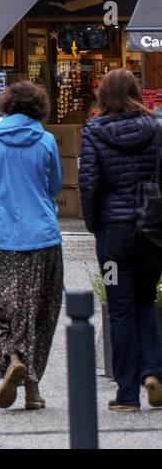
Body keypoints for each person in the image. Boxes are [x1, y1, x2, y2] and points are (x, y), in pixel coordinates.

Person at [0, 82, 63, 410]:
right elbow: (54, 184)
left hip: (4, 239)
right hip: (44, 237)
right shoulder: (46, 140)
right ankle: (32, 388)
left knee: (4, 310)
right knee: (41, 312)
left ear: (5, 105)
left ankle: (14, 357)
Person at [78, 69, 162, 412]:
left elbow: (89, 184)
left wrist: (94, 223)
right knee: (146, 302)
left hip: (114, 236)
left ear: (103, 96)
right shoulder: (156, 128)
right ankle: (154, 372)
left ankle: (127, 393)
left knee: (120, 308)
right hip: (152, 233)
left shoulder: (94, 132)